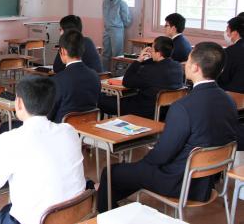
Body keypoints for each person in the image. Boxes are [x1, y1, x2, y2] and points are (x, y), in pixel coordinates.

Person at [97, 42, 238, 212]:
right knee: (129, 174)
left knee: (111, 173)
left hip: (178, 181)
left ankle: (105, 215)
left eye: (188, 60)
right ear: (220, 70)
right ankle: (121, 211)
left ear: (195, 68)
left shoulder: (184, 107)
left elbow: (162, 154)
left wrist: (143, 164)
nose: (184, 64)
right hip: (206, 182)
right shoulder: (229, 101)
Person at [0, 76, 86, 224]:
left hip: (34, 220)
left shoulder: (11, 140)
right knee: (8, 209)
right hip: (75, 216)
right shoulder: (69, 131)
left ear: (18, 103)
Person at [98, 36, 184, 119]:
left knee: (100, 99)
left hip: (143, 111)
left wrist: (138, 60)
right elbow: (155, 65)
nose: (150, 51)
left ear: (159, 53)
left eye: (152, 50)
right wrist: (151, 58)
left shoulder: (150, 71)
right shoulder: (178, 67)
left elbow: (126, 82)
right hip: (164, 113)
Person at [49, 30, 101, 123]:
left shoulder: (58, 80)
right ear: (82, 49)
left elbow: (49, 113)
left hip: (63, 130)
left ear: (63, 51)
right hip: (87, 129)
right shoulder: (94, 75)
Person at [102, 0, 132, 71]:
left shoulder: (122, 3)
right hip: (107, 29)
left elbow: (126, 20)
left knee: (117, 54)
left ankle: (117, 74)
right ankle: (105, 72)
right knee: (105, 53)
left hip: (117, 30)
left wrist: (118, 26)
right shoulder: (105, 2)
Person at [218, 16, 244, 93]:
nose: (226, 33)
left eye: (227, 30)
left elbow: (224, 78)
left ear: (235, 33)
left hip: (234, 93)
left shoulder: (230, 51)